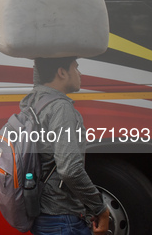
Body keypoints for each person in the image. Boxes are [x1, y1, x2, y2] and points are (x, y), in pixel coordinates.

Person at [25, 56, 110, 235]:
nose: (80, 73)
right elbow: (70, 170)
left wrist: (40, 54)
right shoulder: (60, 108)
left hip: (43, 215)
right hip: (63, 219)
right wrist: (100, 208)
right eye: (76, 67)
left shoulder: (34, 101)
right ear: (62, 72)